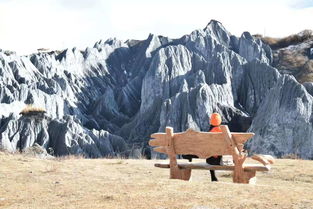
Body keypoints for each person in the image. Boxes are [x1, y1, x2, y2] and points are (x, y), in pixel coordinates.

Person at [182, 113, 223, 182]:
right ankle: (213, 177)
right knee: (209, 152)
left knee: (204, 152)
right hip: (218, 159)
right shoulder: (223, 132)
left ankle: (188, 155)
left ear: (211, 121)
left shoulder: (209, 133)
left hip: (210, 158)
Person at [206, 113, 223, 182]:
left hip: (210, 160)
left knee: (210, 153)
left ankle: (213, 177)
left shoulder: (209, 133)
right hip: (219, 160)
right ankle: (214, 178)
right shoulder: (222, 131)